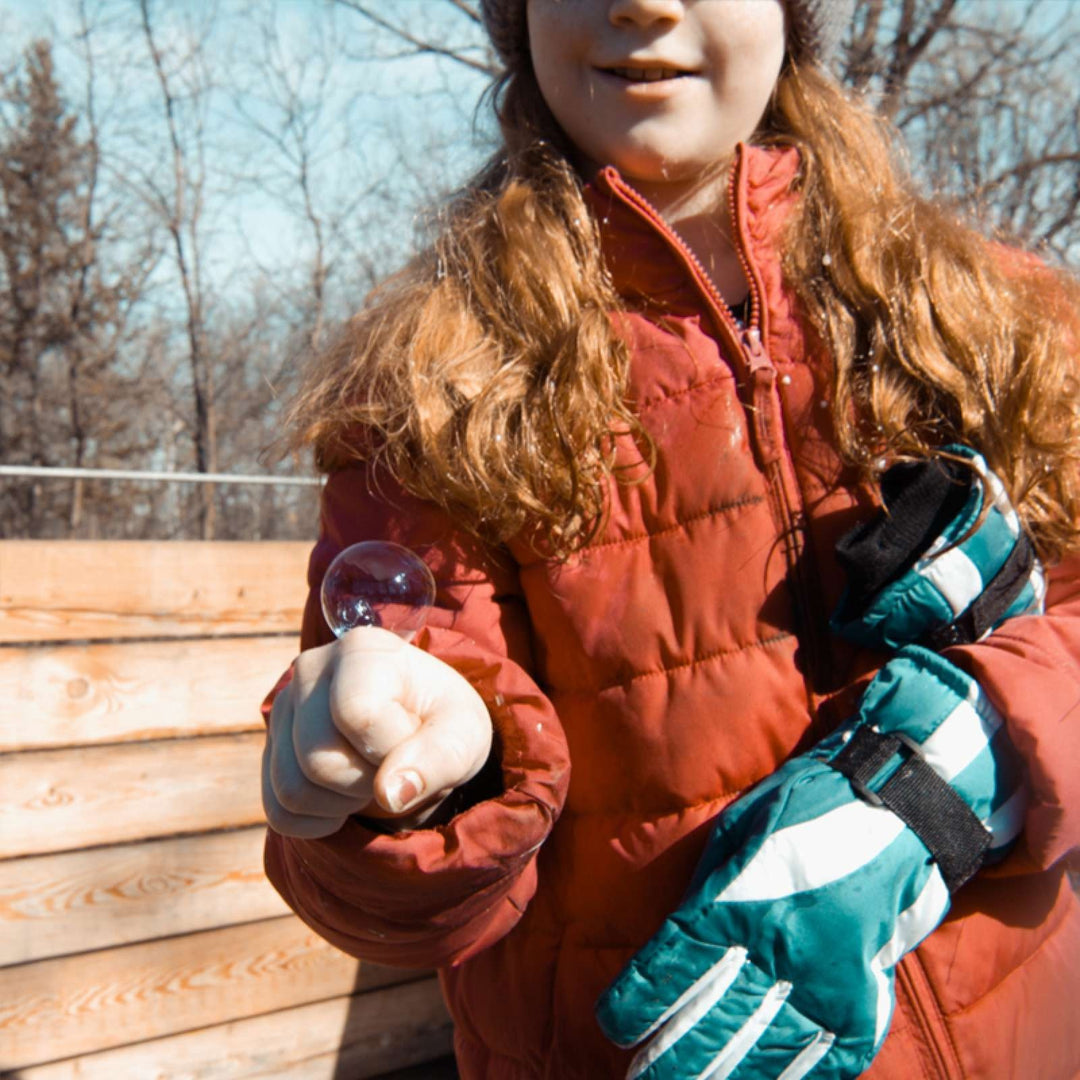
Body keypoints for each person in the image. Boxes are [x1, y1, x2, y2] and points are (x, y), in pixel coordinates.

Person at [260, 2, 1080, 1076]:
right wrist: (399, 790)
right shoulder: (431, 391)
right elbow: (397, 899)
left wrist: (961, 759)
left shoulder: (993, 321)